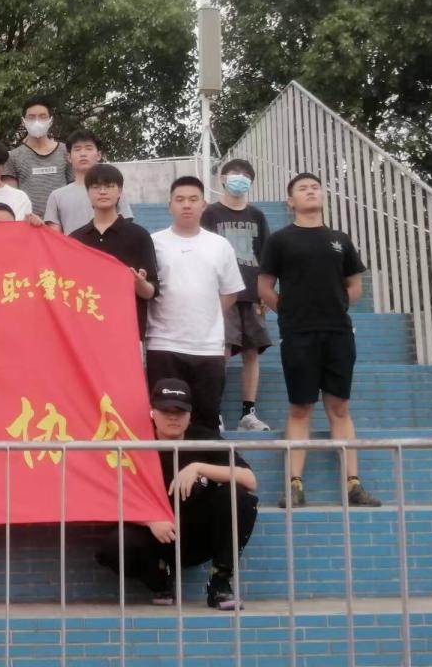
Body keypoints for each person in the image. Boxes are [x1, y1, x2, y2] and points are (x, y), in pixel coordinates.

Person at [259, 173, 382, 508]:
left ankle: (353, 485)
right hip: (298, 334)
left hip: (338, 332)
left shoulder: (340, 239)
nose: (310, 191)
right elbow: (265, 287)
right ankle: (294, 485)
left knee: (339, 407)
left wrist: (334, 305)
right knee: (300, 408)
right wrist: (289, 313)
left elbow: (354, 286)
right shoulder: (280, 240)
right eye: (303, 188)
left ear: (323, 195)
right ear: (291, 201)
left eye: (315, 187)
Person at [95, 379, 259, 610]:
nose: (173, 417)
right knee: (116, 544)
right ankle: (160, 581)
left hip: (199, 535)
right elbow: (110, 495)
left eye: (180, 411)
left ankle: (220, 582)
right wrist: (149, 521)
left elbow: (250, 480)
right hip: (156, 537)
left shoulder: (204, 439)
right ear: (152, 412)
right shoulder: (135, 442)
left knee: (238, 496)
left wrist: (198, 468)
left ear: (190, 414)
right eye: (166, 411)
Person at [146, 176, 246, 431]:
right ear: (169, 205)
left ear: (204, 205)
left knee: (206, 418)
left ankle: (205, 460)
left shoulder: (220, 245)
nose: (186, 205)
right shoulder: (154, 243)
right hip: (163, 345)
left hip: (208, 348)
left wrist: (205, 314)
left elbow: (230, 293)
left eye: (193, 199)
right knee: (162, 421)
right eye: (179, 200)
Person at [201, 159, 273, 432]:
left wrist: (266, 292)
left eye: (245, 174)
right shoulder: (210, 213)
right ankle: (214, 411)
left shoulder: (257, 215)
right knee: (222, 350)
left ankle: (248, 413)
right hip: (222, 294)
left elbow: (266, 256)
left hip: (252, 292)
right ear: (222, 178)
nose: (240, 178)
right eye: (234, 173)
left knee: (252, 352)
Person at [69, 164, 158, 338]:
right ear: (88, 193)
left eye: (109, 186)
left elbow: (151, 292)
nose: (102, 192)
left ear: (120, 192)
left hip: (128, 334)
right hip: (85, 334)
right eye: (96, 187)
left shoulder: (139, 236)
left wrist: (139, 284)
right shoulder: (75, 239)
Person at [44, 130, 133, 234]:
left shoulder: (113, 191)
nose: (83, 154)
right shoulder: (57, 196)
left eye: (88, 148)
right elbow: (55, 236)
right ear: (69, 157)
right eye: (77, 149)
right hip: (71, 245)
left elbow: (126, 229)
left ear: (99, 155)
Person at [2, 96, 72, 216]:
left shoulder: (67, 152)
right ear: (23, 121)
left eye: (42, 116)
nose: (37, 121)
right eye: (31, 117)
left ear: (51, 120)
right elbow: (11, 198)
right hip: (28, 222)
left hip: (64, 221)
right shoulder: (12, 157)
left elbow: (76, 189)